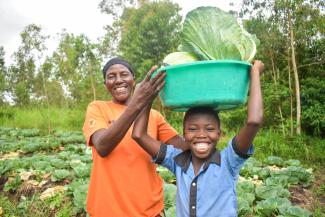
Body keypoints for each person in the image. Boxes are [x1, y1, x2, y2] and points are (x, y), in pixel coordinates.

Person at [132, 60, 265, 217]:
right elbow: (138, 135)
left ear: (219, 134)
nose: (201, 134)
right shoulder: (177, 160)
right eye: (193, 129)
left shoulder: (228, 161)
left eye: (209, 129)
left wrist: (254, 73)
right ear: (184, 134)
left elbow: (253, 121)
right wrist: (147, 97)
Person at [82, 57, 187, 217]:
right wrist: (139, 102)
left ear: (133, 79)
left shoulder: (154, 116)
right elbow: (102, 146)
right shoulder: (98, 108)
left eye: (124, 74)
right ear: (105, 84)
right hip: (108, 211)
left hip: (149, 210)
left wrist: (200, 113)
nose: (118, 80)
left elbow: (183, 148)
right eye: (111, 76)